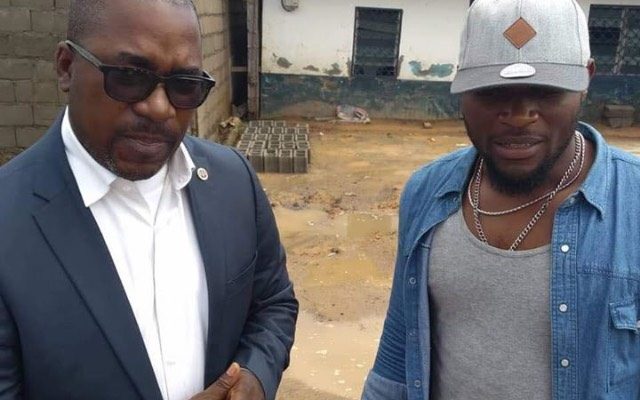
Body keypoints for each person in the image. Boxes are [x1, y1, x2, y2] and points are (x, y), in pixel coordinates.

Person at [0, 0, 298, 399]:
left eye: (184, 85)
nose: (159, 108)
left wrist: (253, 379)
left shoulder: (233, 181)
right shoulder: (9, 222)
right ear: (67, 67)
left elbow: (273, 303)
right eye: (129, 77)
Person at [362, 0, 640, 399]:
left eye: (545, 91)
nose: (520, 114)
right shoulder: (425, 192)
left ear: (585, 80)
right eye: (492, 92)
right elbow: (400, 341)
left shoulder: (632, 203)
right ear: (461, 86)